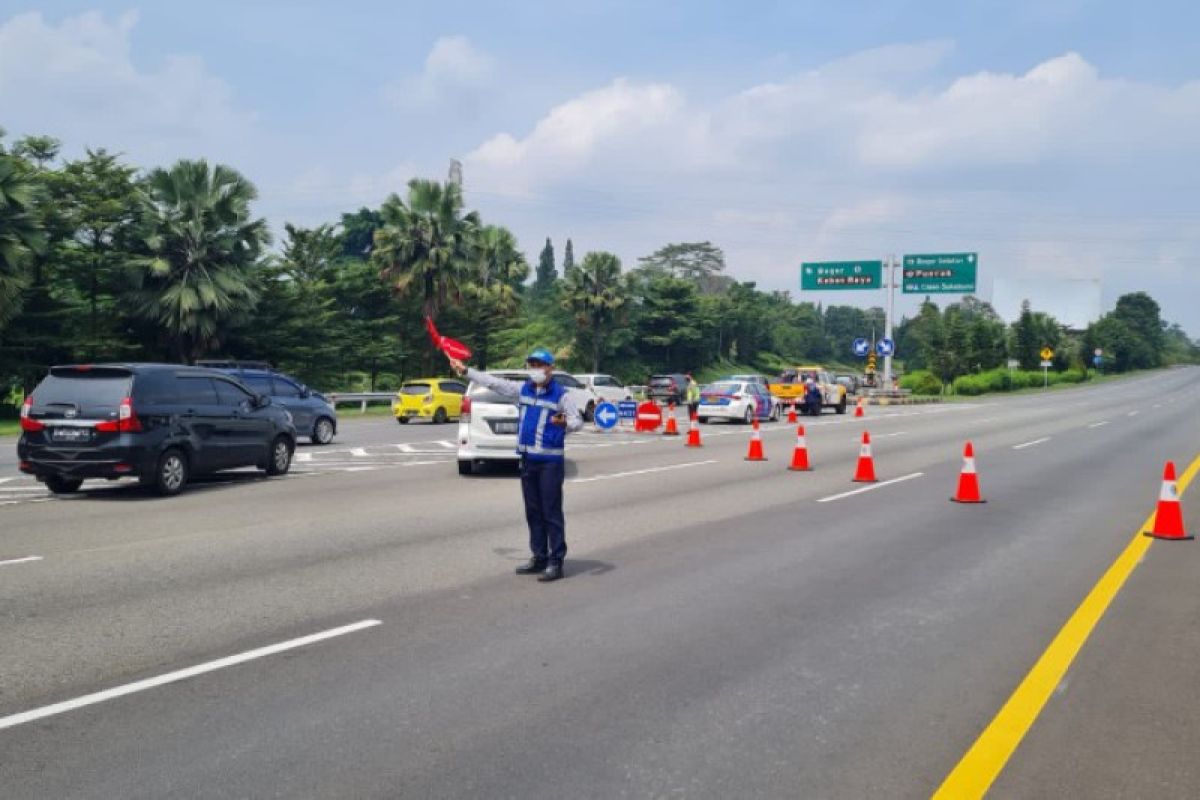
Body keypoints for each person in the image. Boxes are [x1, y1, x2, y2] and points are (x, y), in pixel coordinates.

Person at [449, 348, 583, 583]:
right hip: (528, 460)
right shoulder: (523, 389)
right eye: (532, 365)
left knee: (551, 512)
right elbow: (494, 383)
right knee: (533, 511)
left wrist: (565, 424)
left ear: (550, 368)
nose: (535, 369)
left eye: (540, 365)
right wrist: (466, 371)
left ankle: (556, 561)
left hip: (550, 462)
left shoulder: (562, 395)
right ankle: (539, 557)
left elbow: (577, 420)